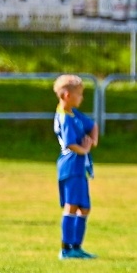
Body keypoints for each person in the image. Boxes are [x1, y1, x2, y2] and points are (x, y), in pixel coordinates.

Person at [53, 74, 98, 259]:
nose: (81, 98)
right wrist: (85, 148)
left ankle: (76, 247)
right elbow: (71, 144)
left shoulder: (75, 113)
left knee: (84, 207)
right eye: (79, 94)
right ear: (66, 95)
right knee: (71, 206)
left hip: (79, 168)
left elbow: (93, 125)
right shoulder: (64, 117)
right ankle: (66, 248)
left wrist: (93, 140)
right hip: (70, 167)